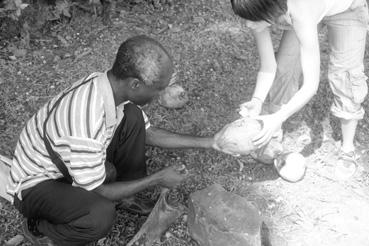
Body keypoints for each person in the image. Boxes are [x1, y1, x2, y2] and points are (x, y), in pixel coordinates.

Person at [6, 35, 220, 246]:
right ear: (135, 84)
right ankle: (42, 230)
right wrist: (158, 179)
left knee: (133, 118)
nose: (161, 95)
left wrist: (210, 142)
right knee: (99, 215)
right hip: (36, 185)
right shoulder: (85, 119)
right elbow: (99, 190)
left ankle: (127, 197)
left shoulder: (110, 89)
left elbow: (148, 132)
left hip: (65, 165)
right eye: (158, 89)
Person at [231, 0, 368, 180]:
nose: (247, 24)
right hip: (303, 8)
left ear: (270, 10)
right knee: (284, 68)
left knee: (345, 76)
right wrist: (257, 100)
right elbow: (268, 68)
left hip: (347, 8)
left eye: (251, 19)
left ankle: (347, 148)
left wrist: (279, 116)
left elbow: (311, 85)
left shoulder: (300, 13)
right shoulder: (259, 7)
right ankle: (273, 133)